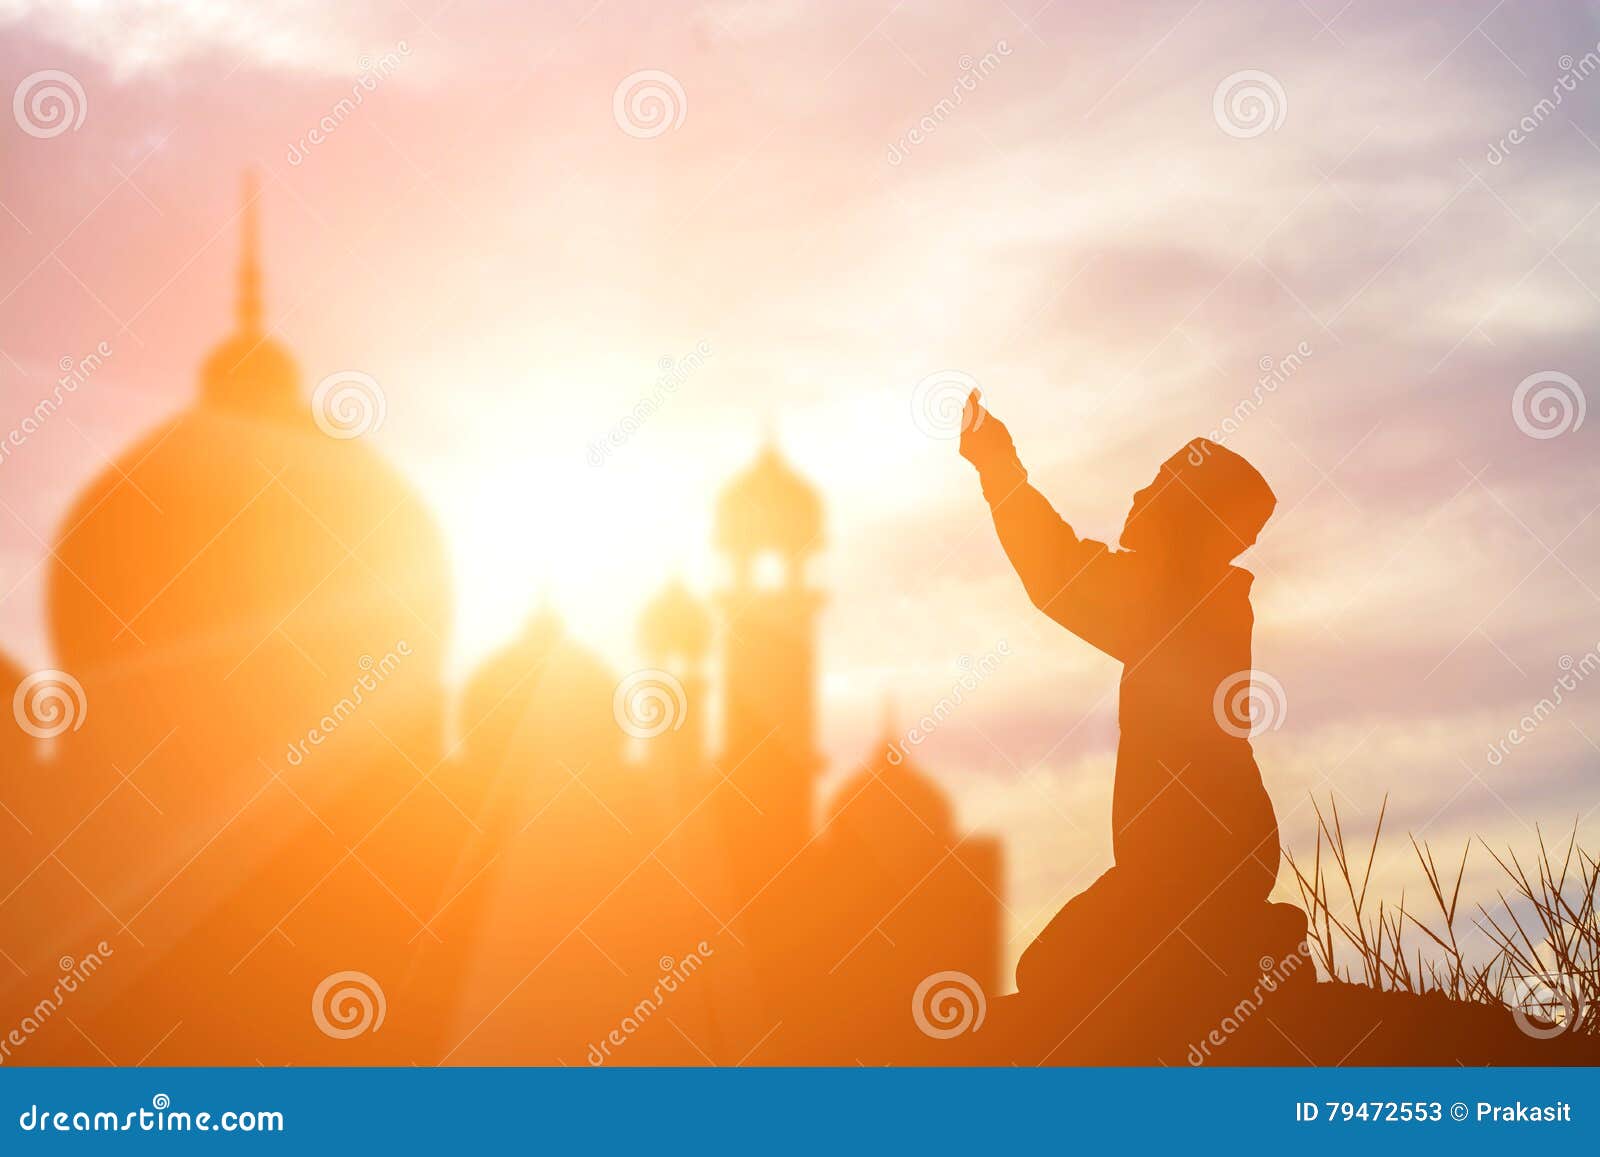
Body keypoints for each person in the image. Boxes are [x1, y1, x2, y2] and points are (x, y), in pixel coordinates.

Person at [957, 390, 1302, 995]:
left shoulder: (1178, 599)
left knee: (1055, 975)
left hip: (1192, 860)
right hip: (1202, 856)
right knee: (1070, 971)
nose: (1138, 496)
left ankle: (1253, 948)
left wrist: (998, 466)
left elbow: (1056, 571)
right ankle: (1250, 943)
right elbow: (1062, 574)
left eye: (1159, 485)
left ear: (1189, 513)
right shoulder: (1197, 598)